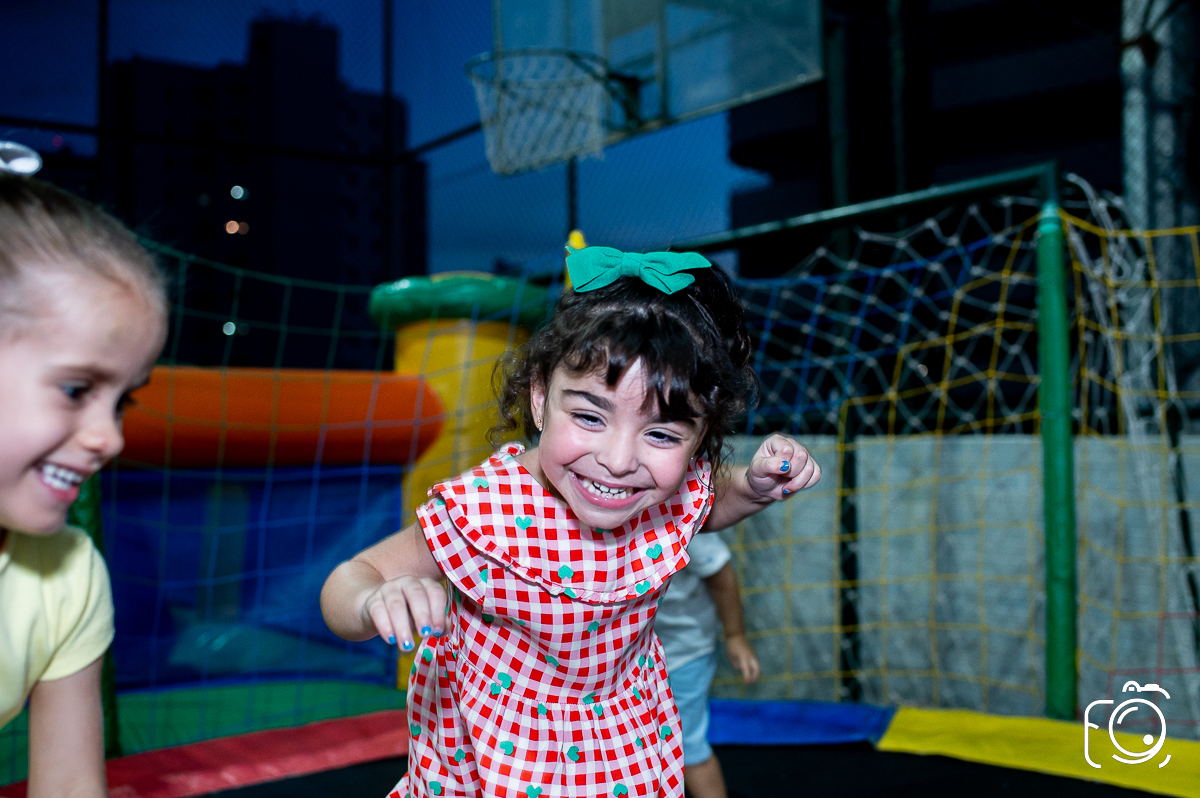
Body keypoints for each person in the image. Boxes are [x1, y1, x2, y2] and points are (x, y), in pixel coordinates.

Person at [321, 246, 821, 798]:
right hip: (498, 747)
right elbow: (351, 577)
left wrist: (751, 486)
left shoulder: (662, 494)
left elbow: (706, 508)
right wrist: (372, 601)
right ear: (540, 398)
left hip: (621, 739)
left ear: (701, 437)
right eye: (588, 416)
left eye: (661, 434)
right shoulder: (486, 508)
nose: (618, 460)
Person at [0, 174, 167, 798]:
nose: (110, 438)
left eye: (122, 401)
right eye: (77, 390)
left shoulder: (67, 574)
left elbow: (68, 784)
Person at [657, 532, 758, 798]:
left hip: (683, 652)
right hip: (623, 656)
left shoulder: (681, 520)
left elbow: (721, 576)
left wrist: (735, 635)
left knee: (685, 742)